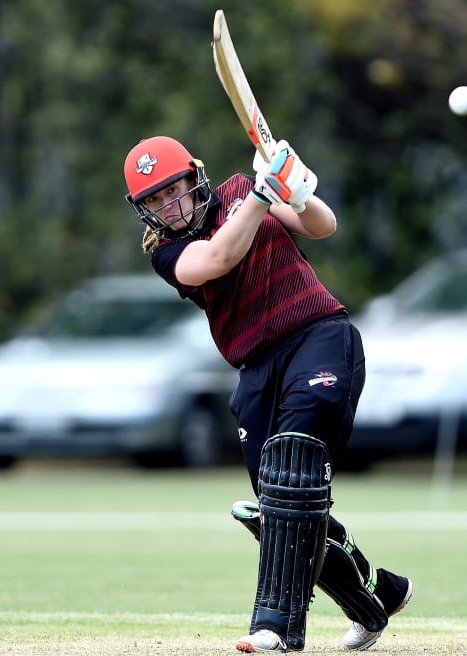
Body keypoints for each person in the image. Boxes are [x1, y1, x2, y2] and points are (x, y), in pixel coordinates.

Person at [122, 135, 412, 654]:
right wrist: (263, 192)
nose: (168, 206)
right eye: (154, 202)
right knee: (282, 502)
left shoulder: (239, 188)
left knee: (293, 467)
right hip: (257, 368)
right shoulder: (168, 253)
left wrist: (296, 188)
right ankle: (378, 597)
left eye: (174, 191)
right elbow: (217, 257)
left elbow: (323, 225)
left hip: (319, 336)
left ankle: (275, 626)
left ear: (194, 179)